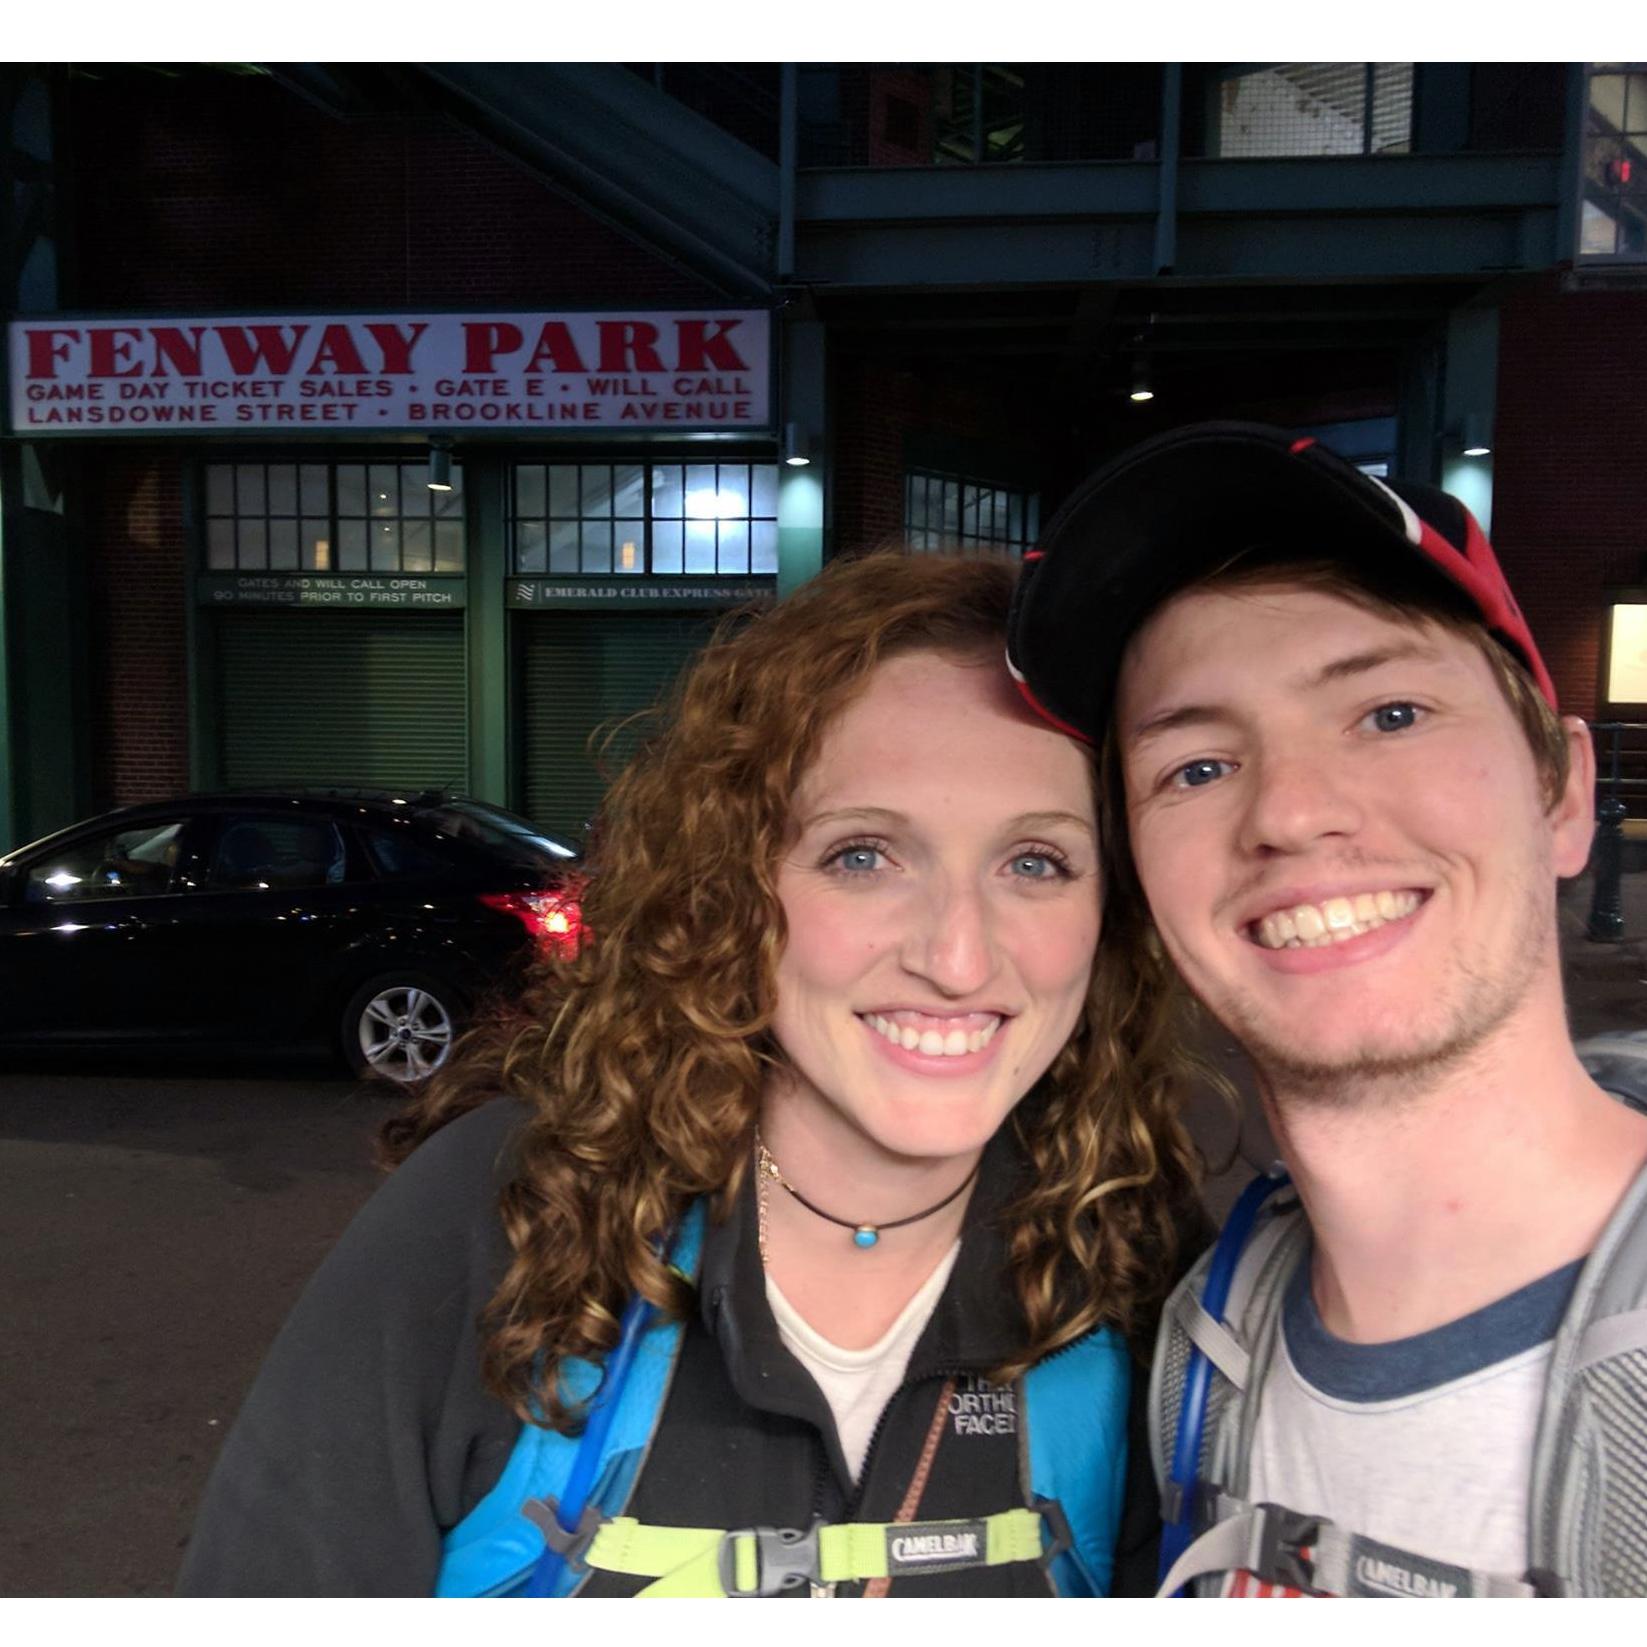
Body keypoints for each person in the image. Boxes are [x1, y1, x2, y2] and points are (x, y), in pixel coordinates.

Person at [177, 550, 1207, 1598]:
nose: (957, 958)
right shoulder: (502, 1224)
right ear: (730, 890)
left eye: (1035, 862)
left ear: (1111, 916)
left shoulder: (1135, 1268)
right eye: (862, 855)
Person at [1007, 421, 1647, 1597]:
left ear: (1565, 794)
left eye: (1390, 714)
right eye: (1196, 768)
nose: (1291, 814)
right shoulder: (1206, 1349)